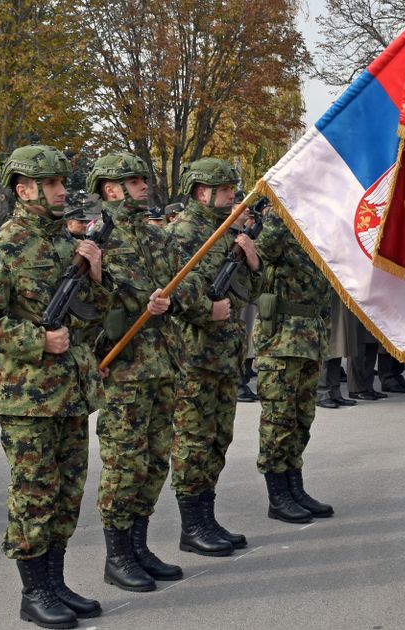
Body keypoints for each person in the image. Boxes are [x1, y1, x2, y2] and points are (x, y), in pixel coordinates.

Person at [0, 145, 111, 627]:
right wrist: (35, 339)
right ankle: (34, 591)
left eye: (63, 183)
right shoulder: (2, 247)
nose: (63, 191)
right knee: (34, 494)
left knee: (67, 493)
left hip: (71, 392)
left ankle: (56, 582)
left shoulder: (69, 244)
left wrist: (98, 274)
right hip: (27, 397)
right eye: (51, 185)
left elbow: (95, 313)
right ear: (24, 190)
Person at [87, 153, 187, 592]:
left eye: (143, 179)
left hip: (162, 361)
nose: (144, 186)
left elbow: (184, 286)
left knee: (154, 461)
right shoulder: (95, 240)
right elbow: (84, 308)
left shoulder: (155, 236)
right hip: (123, 368)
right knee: (124, 463)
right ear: (110, 189)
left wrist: (171, 302)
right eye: (133, 180)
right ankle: (117, 555)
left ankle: (139, 545)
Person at [166, 158, 262, 557]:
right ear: (202, 192)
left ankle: (207, 517)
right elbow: (169, 289)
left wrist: (252, 259)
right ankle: (192, 526)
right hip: (194, 356)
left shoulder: (227, 234)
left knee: (218, 438)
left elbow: (250, 290)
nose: (232, 197)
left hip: (225, 354)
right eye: (225, 191)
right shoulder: (180, 234)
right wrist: (205, 309)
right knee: (193, 440)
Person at [252, 204, 335, 523]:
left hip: (309, 336)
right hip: (282, 339)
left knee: (302, 416)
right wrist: (282, 211)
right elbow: (263, 253)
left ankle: (294, 485)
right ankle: (278, 495)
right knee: (279, 418)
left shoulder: (313, 227)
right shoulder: (278, 222)